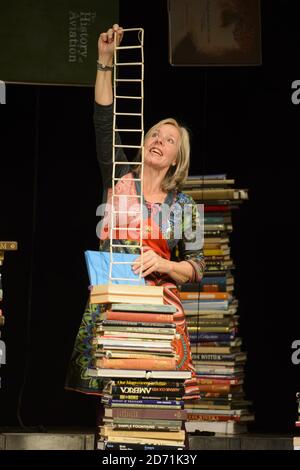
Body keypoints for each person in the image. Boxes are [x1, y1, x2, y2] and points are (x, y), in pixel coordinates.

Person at [65, 24, 205, 396]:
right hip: (114, 306)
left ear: (177, 160)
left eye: (169, 139)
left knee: (158, 404)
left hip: (159, 315)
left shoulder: (185, 207)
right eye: (155, 133)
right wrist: (104, 61)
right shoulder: (118, 174)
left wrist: (164, 265)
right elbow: (103, 120)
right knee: (114, 404)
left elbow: (198, 266)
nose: (159, 139)